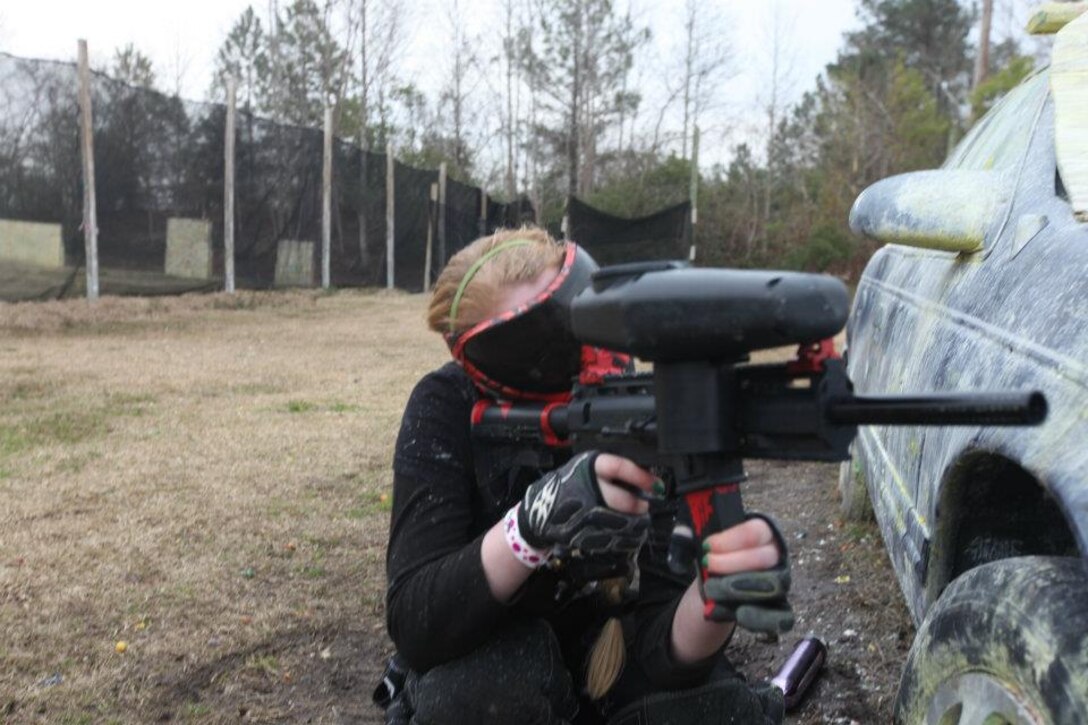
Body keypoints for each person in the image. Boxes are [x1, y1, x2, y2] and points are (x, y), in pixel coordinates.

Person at [382, 227, 792, 725]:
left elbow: (670, 655)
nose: (582, 358)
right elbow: (417, 623)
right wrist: (530, 528)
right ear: (485, 364)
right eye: (544, 344)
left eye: (582, 324)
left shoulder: (644, 404)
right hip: (489, 651)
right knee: (476, 699)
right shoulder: (445, 406)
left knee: (713, 709)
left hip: (613, 649)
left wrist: (714, 597)